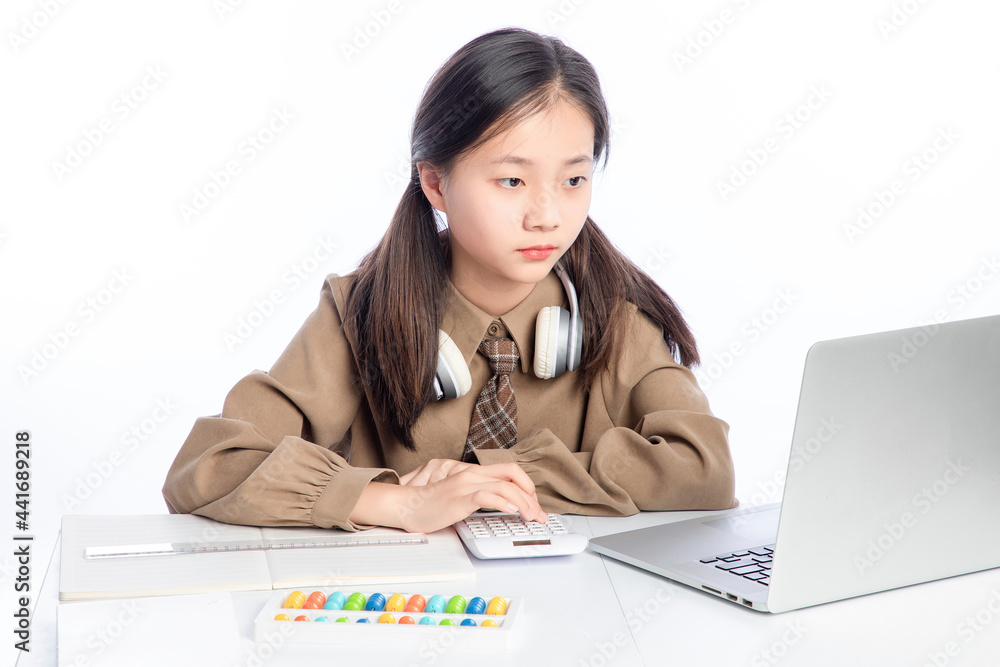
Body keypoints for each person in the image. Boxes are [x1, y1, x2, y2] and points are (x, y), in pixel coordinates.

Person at [162, 26, 736, 535]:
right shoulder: (359, 313)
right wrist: (399, 504)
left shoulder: (615, 315)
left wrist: (503, 479)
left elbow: (706, 468)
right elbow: (206, 466)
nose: (547, 214)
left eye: (574, 179)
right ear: (436, 184)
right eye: (512, 181)